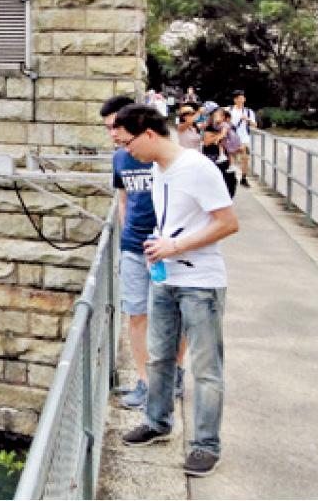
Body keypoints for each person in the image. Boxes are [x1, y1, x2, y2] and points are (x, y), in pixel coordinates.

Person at [114, 104, 239, 478]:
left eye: (127, 142)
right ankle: (157, 421)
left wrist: (175, 247)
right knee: (160, 356)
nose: (124, 151)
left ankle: (205, 445)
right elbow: (179, 223)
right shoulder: (157, 169)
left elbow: (228, 223)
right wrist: (161, 244)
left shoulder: (198, 168)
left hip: (200, 284)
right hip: (165, 278)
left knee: (204, 368)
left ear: (149, 134)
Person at [100, 95, 185, 412]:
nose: (114, 135)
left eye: (117, 128)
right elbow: (123, 200)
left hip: (167, 247)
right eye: (109, 129)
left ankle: (173, 373)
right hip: (134, 247)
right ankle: (144, 380)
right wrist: (125, 238)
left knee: (174, 315)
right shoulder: (120, 159)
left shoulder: (162, 155)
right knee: (136, 314)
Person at [228, 91, 257, 187]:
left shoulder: (249, 111)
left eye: (242, 98)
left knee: (245, 158)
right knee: (232, 157)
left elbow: (255, 125)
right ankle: (232, 176)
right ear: (235, 99)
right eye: (238, 98)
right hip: (232, 137)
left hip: (244, 138)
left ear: (244, 99)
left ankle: (243, 178)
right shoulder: (230, 110)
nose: (241, 100)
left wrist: (247, 119)